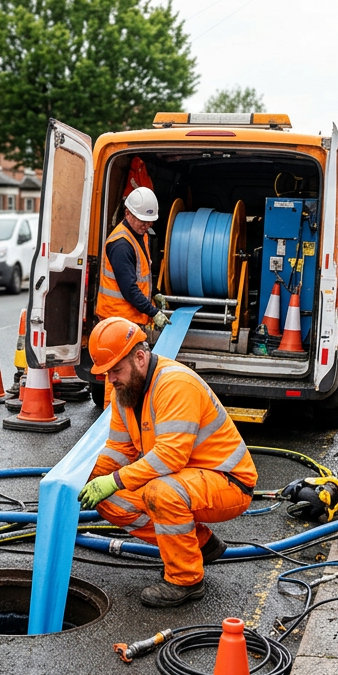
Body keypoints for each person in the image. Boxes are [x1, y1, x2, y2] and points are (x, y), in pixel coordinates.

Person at [78, 317, 258, 607]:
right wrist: (82, 477)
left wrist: (112, 480)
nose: (110, 379)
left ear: (139, 357)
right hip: (181, 477)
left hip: (228, 483)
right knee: (108, 500)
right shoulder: (125, 390)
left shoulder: (175, 384)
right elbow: (119, 449)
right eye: (107, 372)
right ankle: (199, 543)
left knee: (160, 493)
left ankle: (186, 580)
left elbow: (170, 456)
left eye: (115, 370)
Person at [96, 186, 169, 336]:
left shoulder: (141, 235)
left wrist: (154, 293)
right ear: (127, 213)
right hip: (117, 320)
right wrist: (153, 312)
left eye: (150, 222)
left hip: (128, 319)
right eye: (143, 221)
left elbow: (141, 274)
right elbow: (129, 287)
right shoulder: (121, 245)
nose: (146, 226)